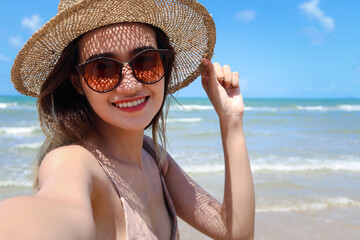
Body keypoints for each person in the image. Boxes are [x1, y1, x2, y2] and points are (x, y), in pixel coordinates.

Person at [0, 0, 255, 239]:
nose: (131, 85)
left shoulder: (154, 158)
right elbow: (50, 212)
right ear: (77, 82)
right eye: (103, 68)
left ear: (164, 66)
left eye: (145, 61)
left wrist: (231, 121)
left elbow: (234, 231)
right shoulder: (75, 162)